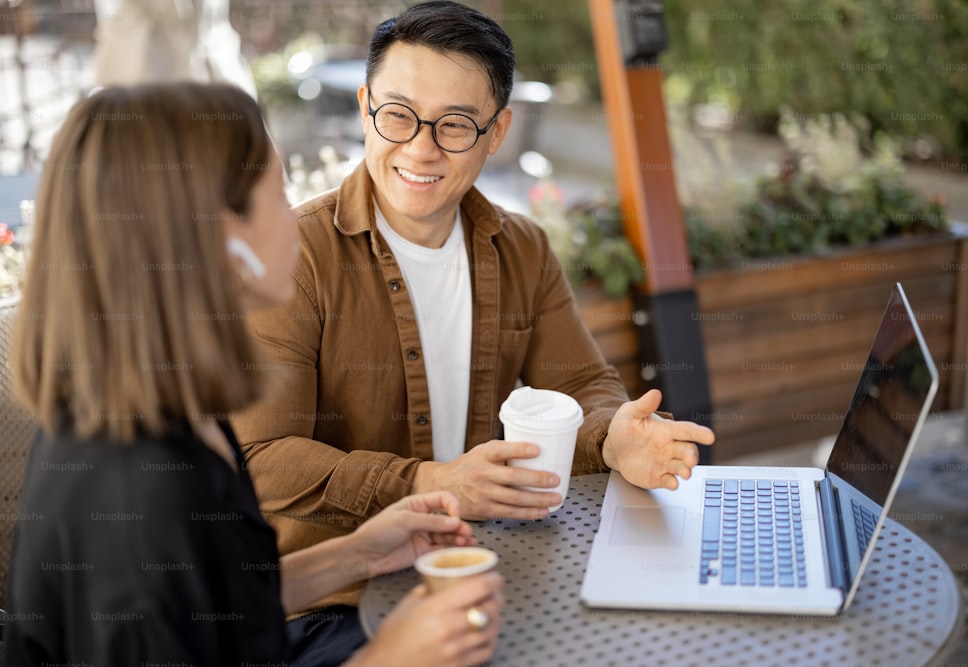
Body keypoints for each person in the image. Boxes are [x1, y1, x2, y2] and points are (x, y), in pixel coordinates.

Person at [232, 0, 715, 653]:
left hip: (491, 563)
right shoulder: (292, 254)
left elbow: (581, 384)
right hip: (330, 602)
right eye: (399, 115)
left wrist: (612, 438)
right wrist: (428, 481)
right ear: (366, 105)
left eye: (455, 124)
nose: (420, 148)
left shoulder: (521, 247)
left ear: (497, 132)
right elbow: (258, 459)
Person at [3, 81, 503, 667]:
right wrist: (389, 658)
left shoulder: (181, 412)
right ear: (219, 236)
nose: (294, 218)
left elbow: (217, 608)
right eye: (276, 195)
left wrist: (357, 554)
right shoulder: (139, 493)